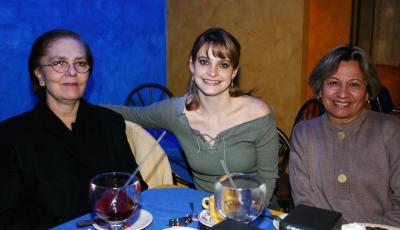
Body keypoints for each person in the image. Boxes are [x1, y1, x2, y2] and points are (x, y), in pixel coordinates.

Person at [105, 27, 279, 203]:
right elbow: (132, 114)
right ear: (191, 65)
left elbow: (268, 179)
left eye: (223, 64)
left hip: (252, 211)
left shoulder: (258, 114)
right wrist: (79, 105)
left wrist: (245, 215)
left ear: (233, 71)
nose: (213, 72)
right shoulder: (176, 112)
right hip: (204, 212)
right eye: (204, 61)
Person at [0, 29, 147, 229]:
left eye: (80, 63)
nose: (72, 72)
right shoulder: (10, 136)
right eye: (59, 63)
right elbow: (7, 217)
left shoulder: (110, 123)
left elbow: (135, 188)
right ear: (39, 74)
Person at [289, 45, 400, 226]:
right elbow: (305, 204)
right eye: (333, 83)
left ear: (367, 92)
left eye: (354, 84)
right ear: (320, 90)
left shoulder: (392, 130)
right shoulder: (304, 133)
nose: (342, 93)